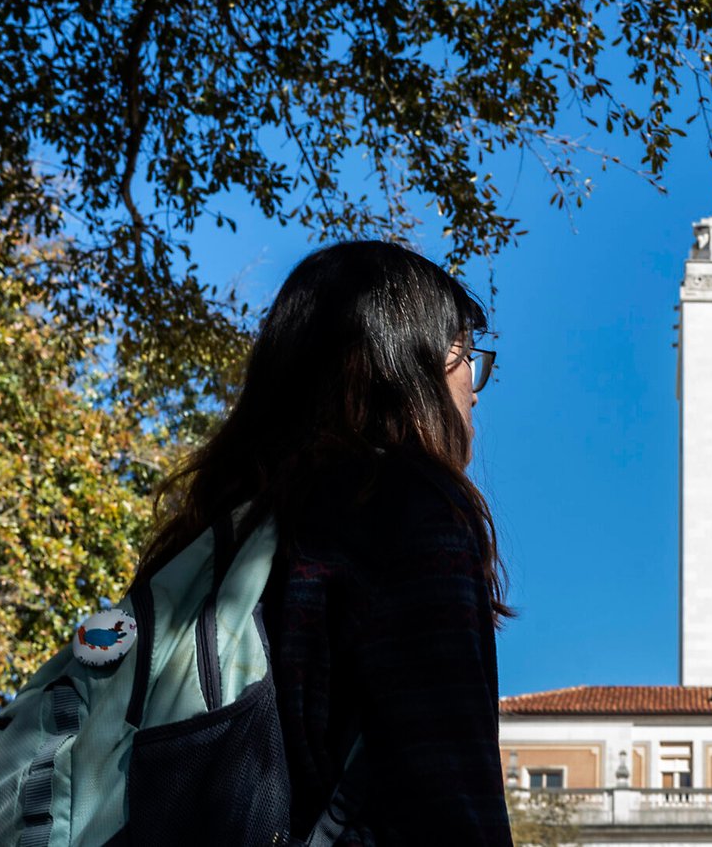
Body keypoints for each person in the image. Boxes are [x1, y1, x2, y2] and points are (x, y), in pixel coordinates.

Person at [134, 240, 513, 844]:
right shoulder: (408, 508)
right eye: (468, 358)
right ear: (417, 364)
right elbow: (447, 786)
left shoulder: (212, 536)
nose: (474, 389)